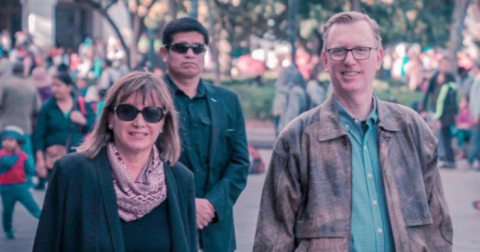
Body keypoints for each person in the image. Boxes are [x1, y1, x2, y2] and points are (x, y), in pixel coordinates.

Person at [254, 11, 452, 252]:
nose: (350, 60)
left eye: (361, 49)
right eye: (338, 51)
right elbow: (273, 238)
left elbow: (438, 227)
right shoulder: (297, 139)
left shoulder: (412, 130)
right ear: (325, 60)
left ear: (378, 57)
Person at [33, 71, 198, 252]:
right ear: (110, 118)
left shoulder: (181, 179)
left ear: (163, 122)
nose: (139, 122)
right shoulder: (72, 173)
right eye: (127, 111)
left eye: (152, 113)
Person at [160, 17, 249, 252]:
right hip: (165, 226)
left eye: (197, 48)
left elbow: (239, 163)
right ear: (164, 53)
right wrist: (188, 206)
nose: (190, 54)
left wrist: (212, 204)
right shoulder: (148, 98)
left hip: (216, 229)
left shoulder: (228, 100)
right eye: (181, 47)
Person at [33, 73, 95, 189]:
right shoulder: (47, 107)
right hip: (55, 159)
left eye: (58, 85)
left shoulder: (81, 105)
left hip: (78, 158)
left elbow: (95, 127)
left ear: (69, 87)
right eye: (53, 86)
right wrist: (40, 160)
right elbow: (39, 135)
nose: (55, 89)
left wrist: (82, 121)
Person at [0, 62, 42, 184]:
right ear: (24, 71)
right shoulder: (31, 86)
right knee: (25, 154)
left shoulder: (4, 83)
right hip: (24, 125)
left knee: (3, 153)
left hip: (5, 124)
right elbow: (37, 108)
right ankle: (29, 180)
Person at [0, 126, 41, 239]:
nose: (6, 143)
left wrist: (35, 172)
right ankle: (8, 230)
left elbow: (29, 170)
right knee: (7, 211)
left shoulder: (23, 155)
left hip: (21, 187)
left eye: (10, 140)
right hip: (6, 188)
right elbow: (7, 164)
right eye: (4, 140)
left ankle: (47, 221)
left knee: (33, 206)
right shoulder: (2, 155)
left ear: (18, 142)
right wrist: (18, 154)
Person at [467, 60, 480, 170]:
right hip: (476, 114)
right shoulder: (475, 80)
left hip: (478, 115)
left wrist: (476, 115)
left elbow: (478, 100)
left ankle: (472, 159)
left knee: (476, 138)